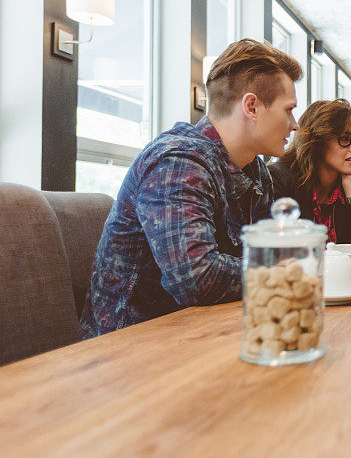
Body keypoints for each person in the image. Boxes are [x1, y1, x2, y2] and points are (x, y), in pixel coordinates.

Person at [81, 39, 302, 338]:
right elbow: (197, 279)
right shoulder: (177, 161)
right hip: (130, 349)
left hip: (204, 333)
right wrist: (290, 267)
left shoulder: (255, 169)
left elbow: (269, 253)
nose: (295, 125)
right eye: (288, 110)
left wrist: (283, 264)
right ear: (251, 106)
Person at [269, 99, 351, 264]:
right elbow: (282, 257)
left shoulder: (350, 183)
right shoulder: (280, 179)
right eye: (345, 138)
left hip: (340, 285)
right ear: (317, 142)